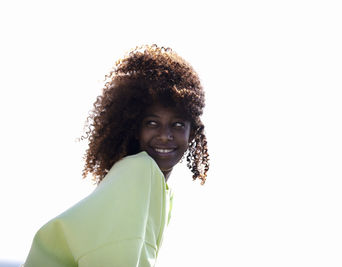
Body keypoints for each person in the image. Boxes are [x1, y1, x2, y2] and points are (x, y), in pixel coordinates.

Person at [23, 44, 209, 267]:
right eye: (152, 123)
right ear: (134, 128)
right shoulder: (138, 171)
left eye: (177, 124)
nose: (165, 135)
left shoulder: (159, 190)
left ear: (192, 133)